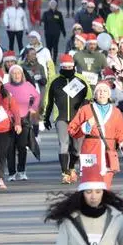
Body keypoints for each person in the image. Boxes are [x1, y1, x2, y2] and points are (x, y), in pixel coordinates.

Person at [68, 80, 123, 189]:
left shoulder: (116, 112)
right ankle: (88, 205)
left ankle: (103, 205)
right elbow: (72, 130)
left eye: (105, 91)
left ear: (109, 94)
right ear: (95, 94)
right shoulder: (85, 109)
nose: (101, 93)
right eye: (99, 91)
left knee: (106, 186)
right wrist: (87, 125)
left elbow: (121, 131)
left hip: (108, 151)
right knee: (89, 185)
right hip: (90, 150)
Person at [43, 55, 93, 184]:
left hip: (78, 119)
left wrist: (87, 111)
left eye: (70, 67)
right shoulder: (55, 81)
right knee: (63, 144)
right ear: (61, 67)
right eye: (65, 67)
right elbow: (48, 100)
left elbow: (90, 97)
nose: (67, 69)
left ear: (74, 67)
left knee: (77, 148)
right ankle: (64, 173)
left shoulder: (81, 80)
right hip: (61, 117)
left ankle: (71, 168)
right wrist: (46, 118)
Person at [4, 65, 40, 181]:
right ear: (10, 75)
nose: (16, 75)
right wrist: (8, 114)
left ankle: (21, 171)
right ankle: (11, 173)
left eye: (18, 73)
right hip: (10, 121)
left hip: (24, 119)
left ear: (22, 75)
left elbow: (37, 96)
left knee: (22, 146)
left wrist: (33, 107)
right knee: (10, 147)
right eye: (14, 73)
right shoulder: (6, 87)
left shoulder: (28, 85)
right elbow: (1, 103)